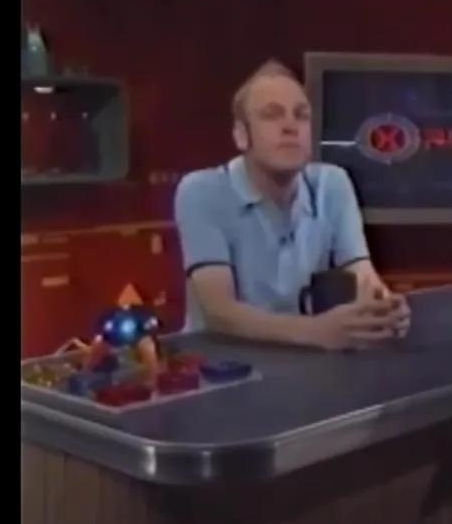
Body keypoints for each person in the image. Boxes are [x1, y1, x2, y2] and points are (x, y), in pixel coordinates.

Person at [174, 60, 409, 350]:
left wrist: (383, 309)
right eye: (272, 115)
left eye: (301, 115)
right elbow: (219, 311)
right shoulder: (201, 191)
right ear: (241, 134)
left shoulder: (332, 184)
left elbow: (362, 275)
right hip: (220, 364)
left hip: (303, 359)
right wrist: (316, 331)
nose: (290, 126)